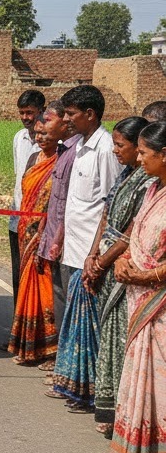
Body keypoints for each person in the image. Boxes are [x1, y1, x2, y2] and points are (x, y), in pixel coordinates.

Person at [46, 86, 122, 412]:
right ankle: (72, 384)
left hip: (91, 258)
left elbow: (110, 210)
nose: (67, 119)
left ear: (89, 114)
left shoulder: (105, 151)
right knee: (74, 326)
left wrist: (96, 257)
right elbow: (74, 203)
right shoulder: (78, 148)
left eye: (71, 114)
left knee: (90, 329)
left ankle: (91, 393)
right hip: (73, 250)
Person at [80, 116, 151, 434]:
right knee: (108, 336)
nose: (117, 152)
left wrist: (103, 261)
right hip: (108, 262)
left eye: (120, 146)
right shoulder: (126, 175)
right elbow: (108, 214)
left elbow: (129, 231)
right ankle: (110, 409)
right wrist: (92, 255)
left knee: (124, 340)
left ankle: (125, 414)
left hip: (125, 268)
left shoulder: (149, 185)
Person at [110, 121, 166, 453]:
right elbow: (136, 234)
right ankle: (147, 452)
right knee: (145, 378)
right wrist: (121, 260)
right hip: (139, 297)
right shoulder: (152, 191)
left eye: (145, 153)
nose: (139, 158)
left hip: (159, 302)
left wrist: (145, 277)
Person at [5, 118, 58, 365]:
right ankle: (27, 344)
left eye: (45, 133)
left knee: (46, 288)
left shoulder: (60, 161)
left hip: (46, 234)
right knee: (24, 284)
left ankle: (49, 348)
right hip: (25, 231)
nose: (40, 138)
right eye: (37, 133)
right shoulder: (32, 159)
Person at [37, 100, 80, 328]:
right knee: (58, 294)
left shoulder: (75, 153)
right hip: (53, 235)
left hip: (66, 240)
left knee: (66, 297)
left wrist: (58, 238)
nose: (44, 125)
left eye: (48, 120)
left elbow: (71, 204)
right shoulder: (64, 151)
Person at [9, 91, 45, 298]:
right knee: (17, 273)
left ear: (41, 111)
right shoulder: (19, 138)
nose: (25, 117)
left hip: (39, 222)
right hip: (17, 218)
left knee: (37, 274)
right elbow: (19, 177)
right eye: (22, 113)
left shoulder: (51, 142)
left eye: (30, 112)